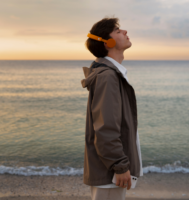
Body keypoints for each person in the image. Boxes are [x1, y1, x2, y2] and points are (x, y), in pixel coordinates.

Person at [81, 17, 143, 200]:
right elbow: (106, 127)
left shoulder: (110, 74)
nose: (124, 32)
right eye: (118, 31)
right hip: (109, 172)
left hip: (110, 170)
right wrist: (120, 166)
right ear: (108, 42)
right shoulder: (108, 77)